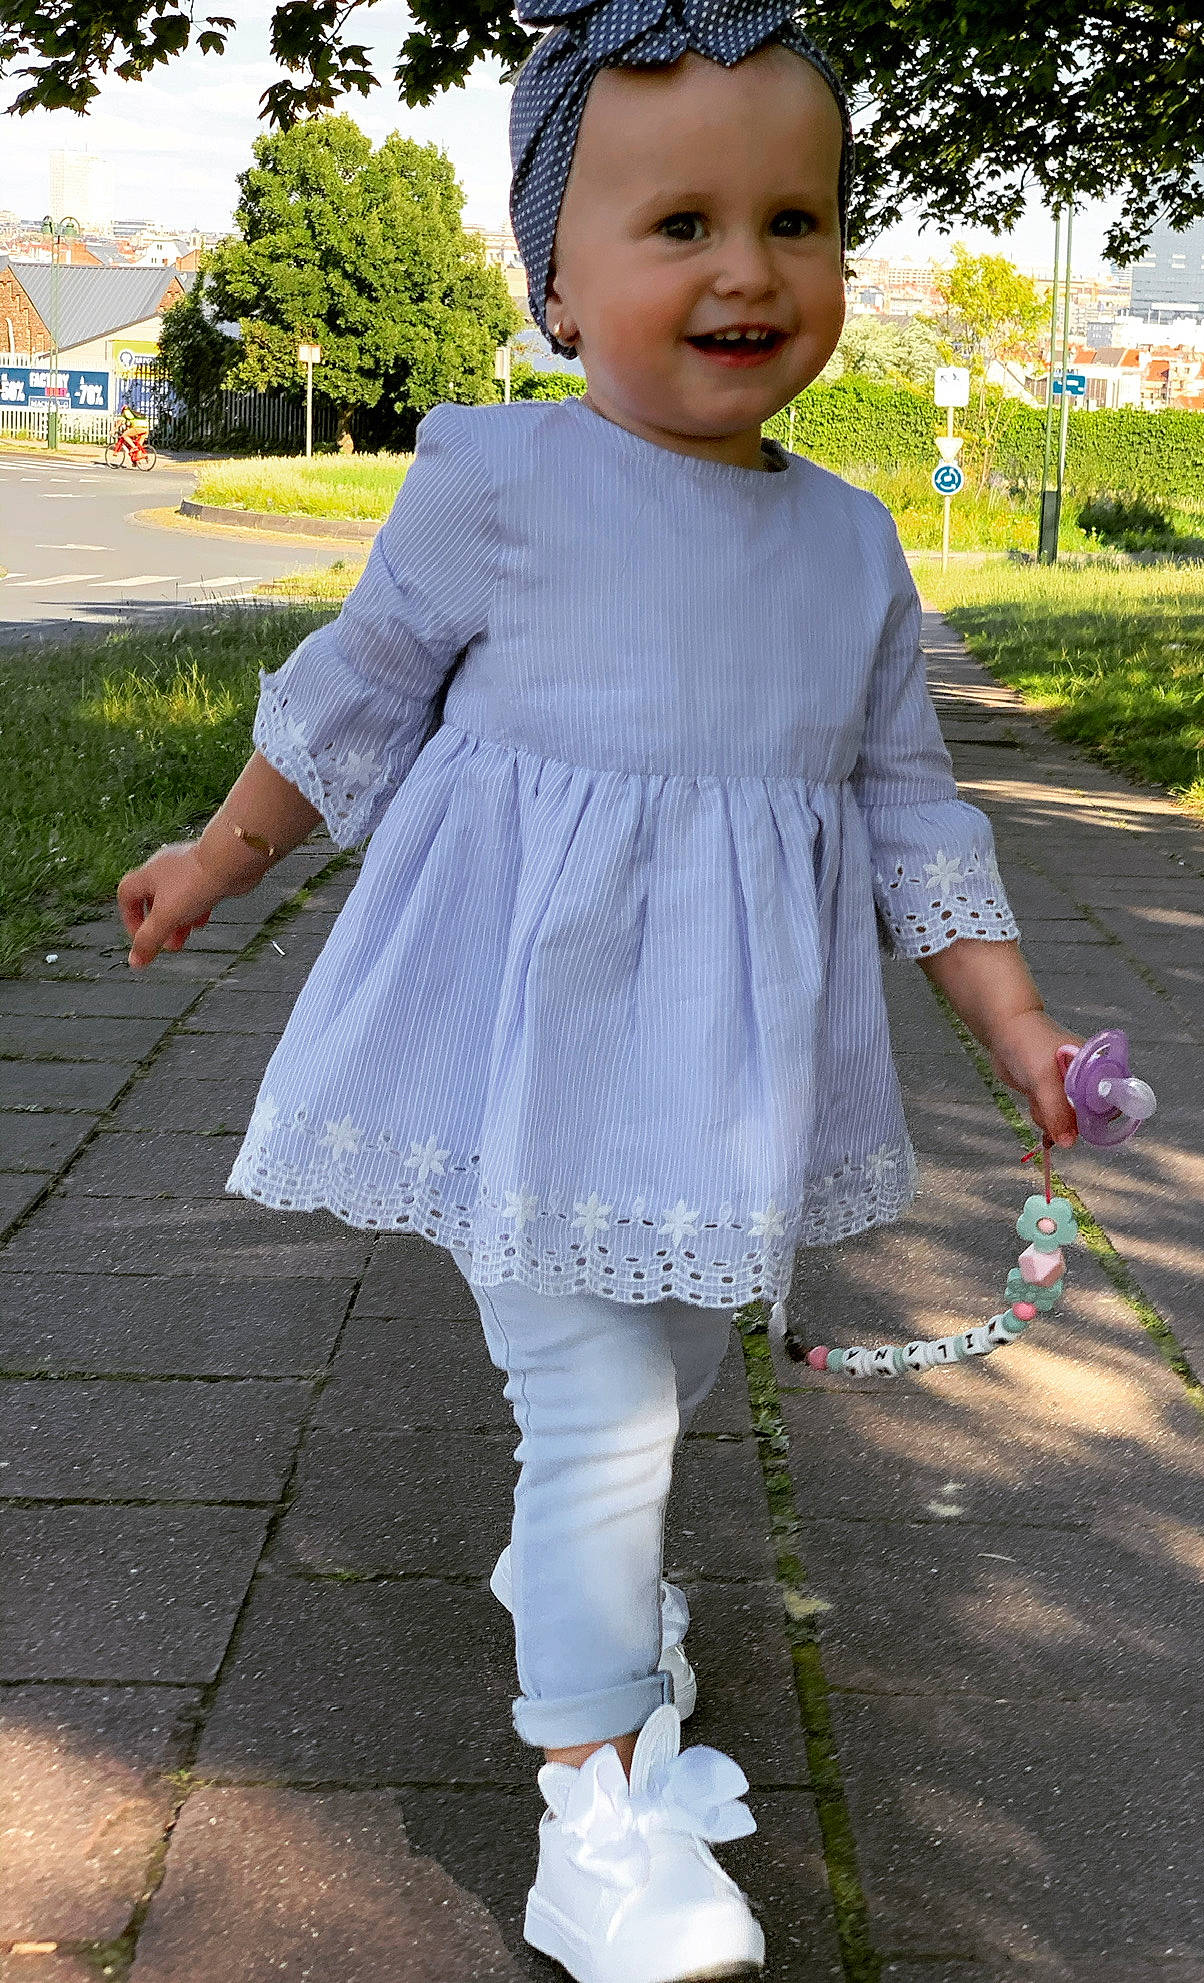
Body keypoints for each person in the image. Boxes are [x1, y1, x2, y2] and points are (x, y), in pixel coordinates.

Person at [115, 3, 1089, 1976]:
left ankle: (576, 1591)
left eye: (795, 217)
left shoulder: (848, 544)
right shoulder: (502, 482)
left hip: (720, 1077)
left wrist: (1016, 1023)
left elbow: (910, 806)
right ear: (554, 274)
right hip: (531, 1041)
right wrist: (217, 860)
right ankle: (594, 1801)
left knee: (647, 1384)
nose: (745, 267)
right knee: (602, 1415)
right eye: (676, 224)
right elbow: (362, 697)